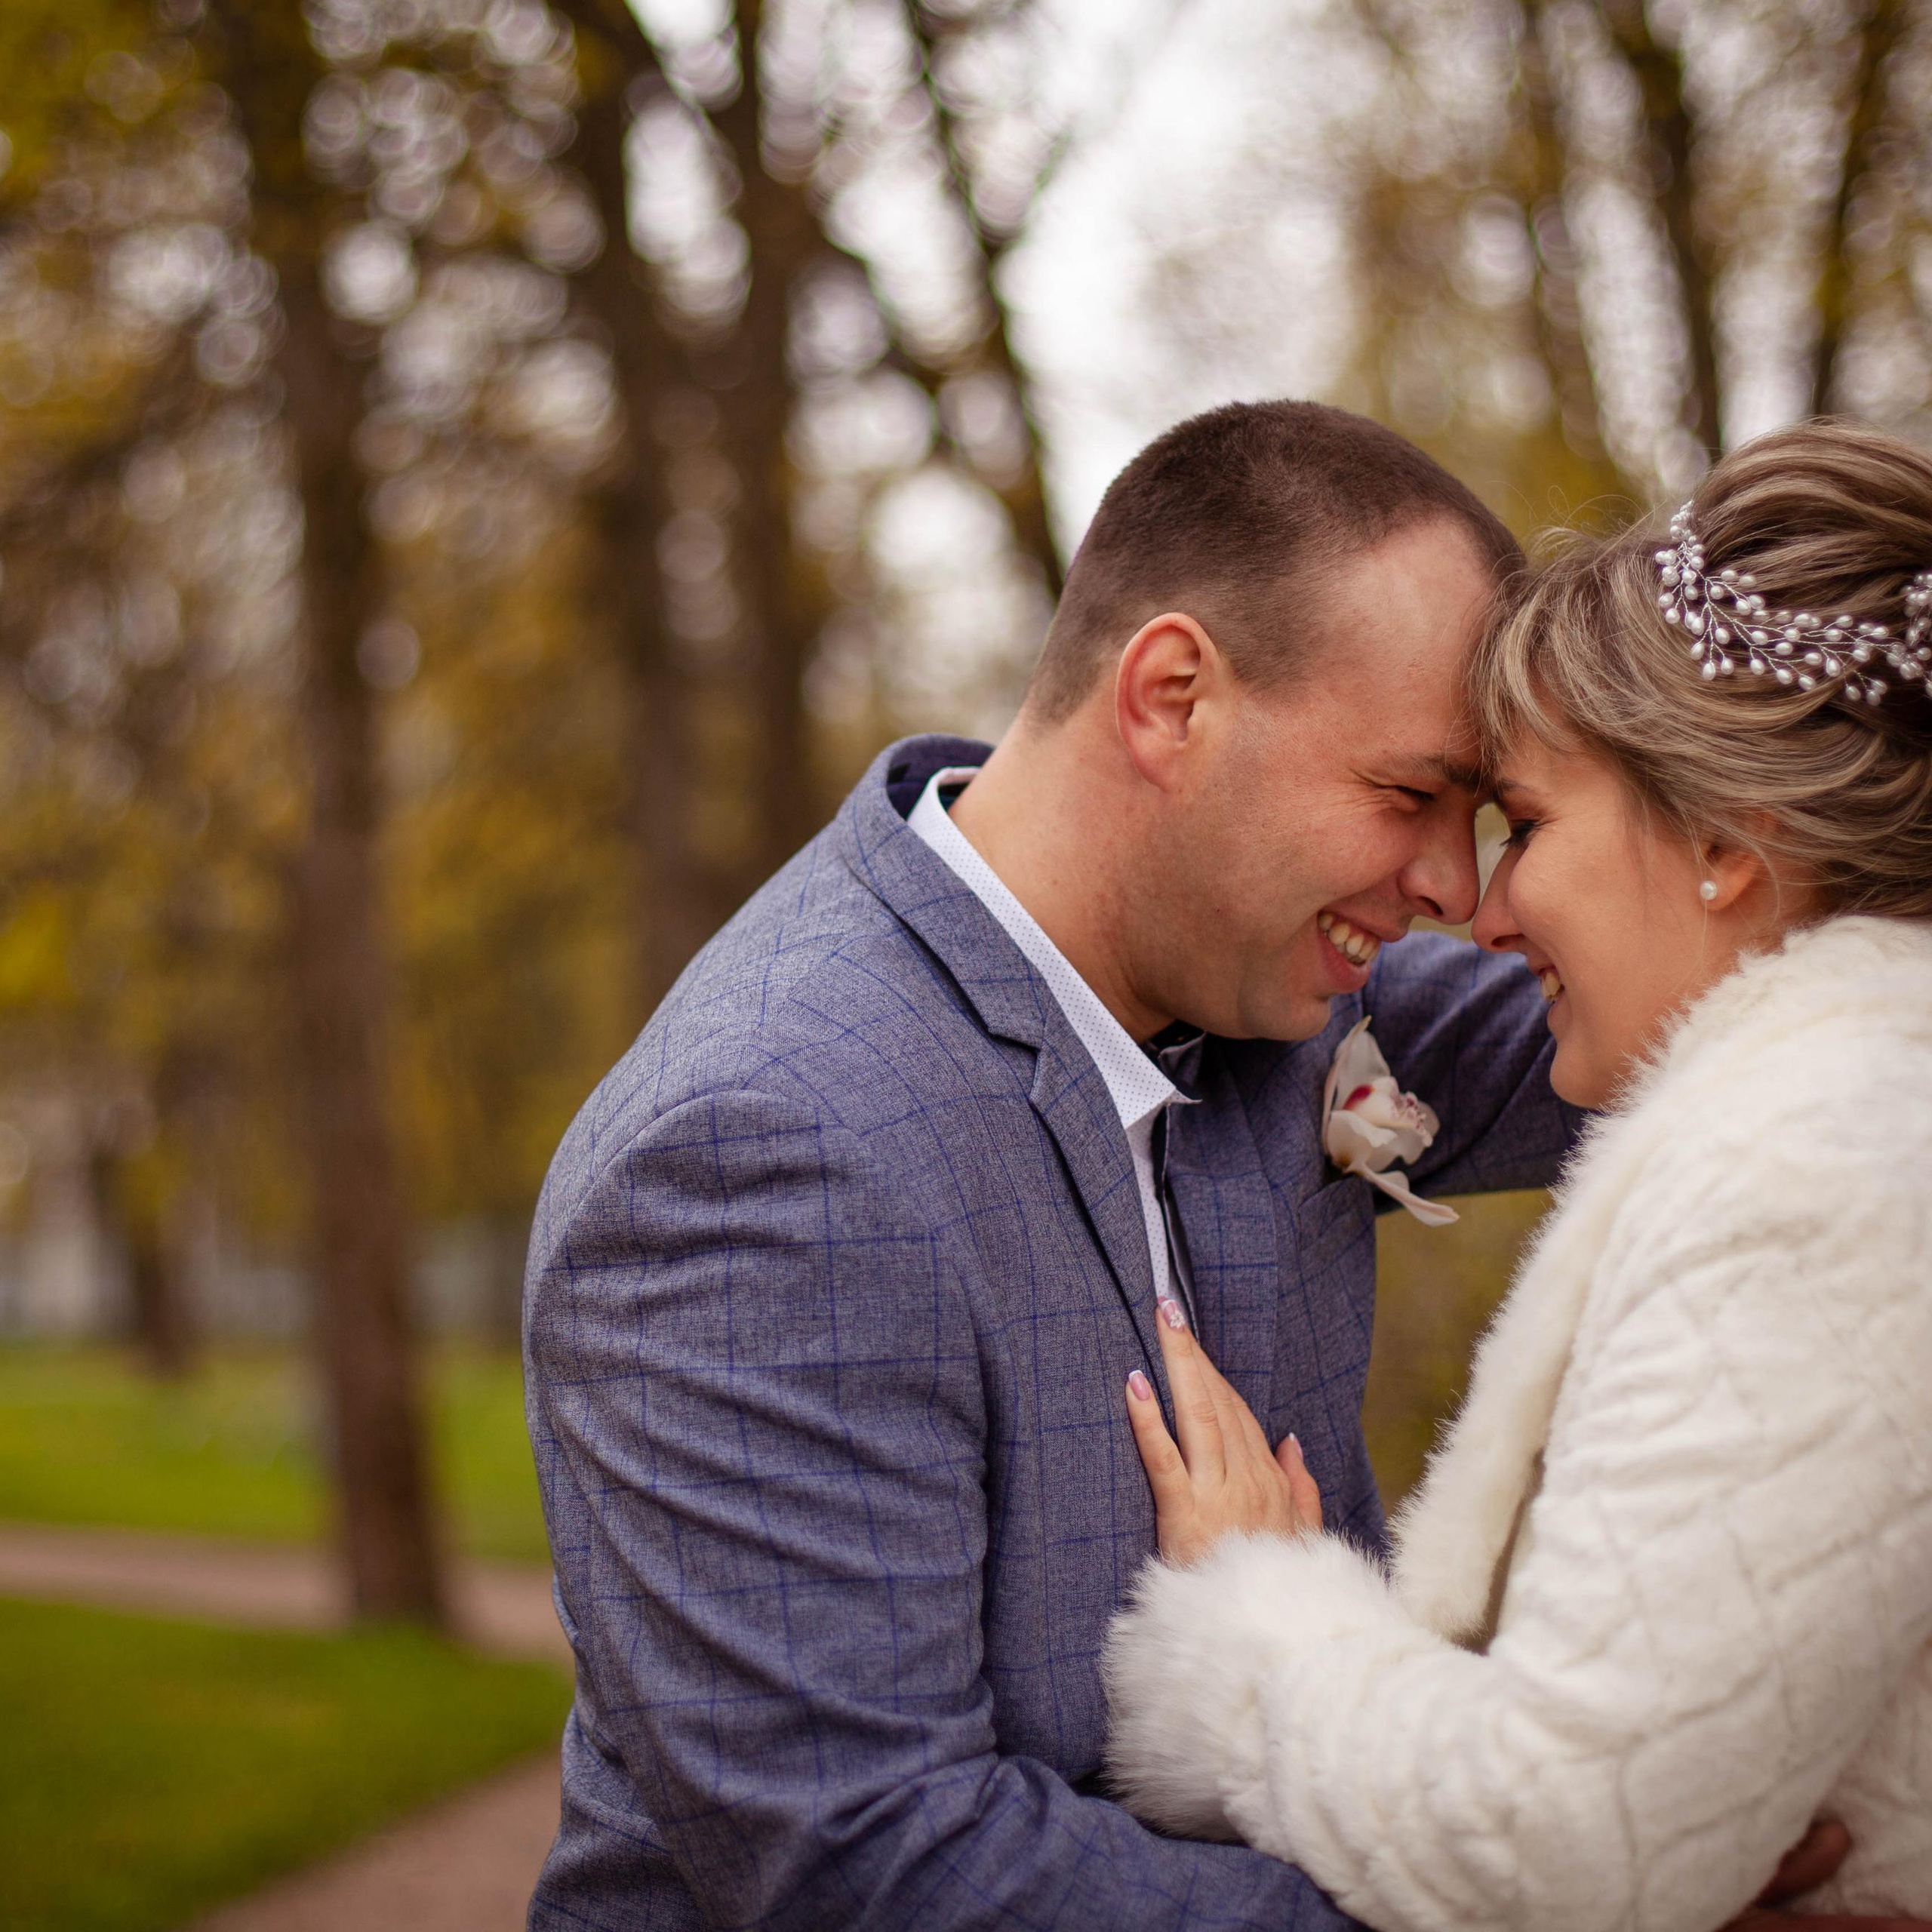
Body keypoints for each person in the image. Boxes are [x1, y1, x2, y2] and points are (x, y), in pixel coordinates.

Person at [522, 400, 1578, 1930]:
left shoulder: (1278, 985)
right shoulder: (759, 1153)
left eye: (1479, 820)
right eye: (1411, 796)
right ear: (1170, 699)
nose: (1450, 889)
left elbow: (1685, 997)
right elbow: (877, 1864)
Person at [1102, 418, 1932, 1932]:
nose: (1475, 911)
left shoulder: (1812, 1166)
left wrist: (1253, 1621)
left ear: (1726, 841)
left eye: (1525, 825)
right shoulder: (1857, 1101)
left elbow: (1561, 1845)